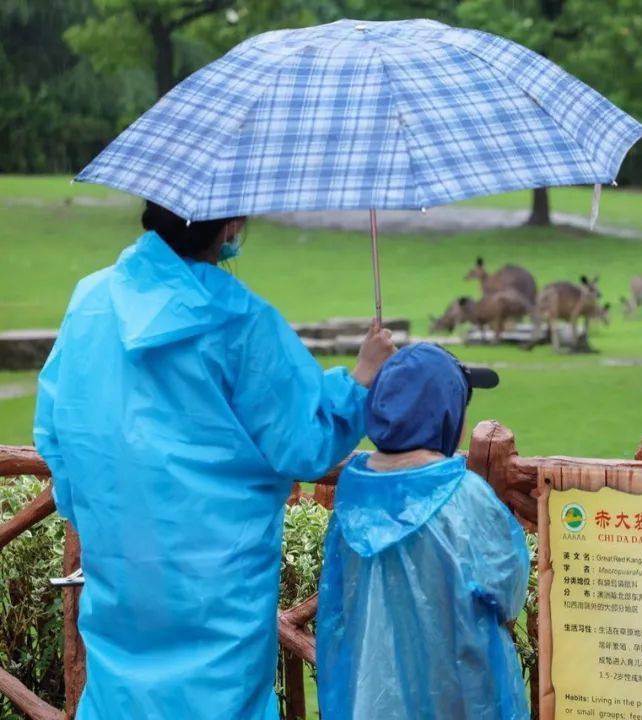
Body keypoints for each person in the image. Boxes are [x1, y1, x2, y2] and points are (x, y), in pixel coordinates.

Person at [33, 201, 396, 719]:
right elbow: (305, 442)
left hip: (120, 563)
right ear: (229, 227)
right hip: (222, 579)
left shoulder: (90, 300)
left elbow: (55, 431)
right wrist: (361, 379)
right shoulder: (240, 320)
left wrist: (96, 512)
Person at [317, 343, 530, 720]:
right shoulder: (465, 498)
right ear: (444, 411)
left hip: (367, 698)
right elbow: (509, 591)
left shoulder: (352, 494)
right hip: (456, 694)